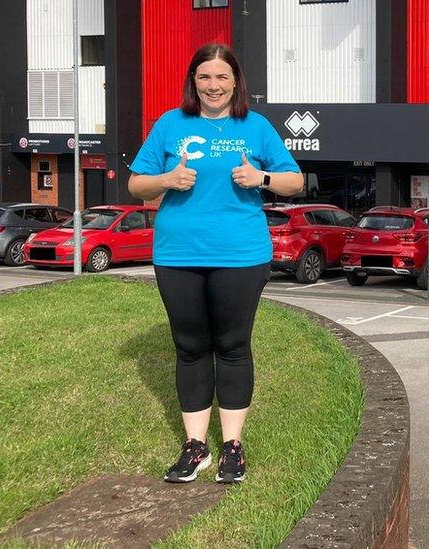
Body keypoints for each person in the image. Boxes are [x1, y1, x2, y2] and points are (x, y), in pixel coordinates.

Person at [128, 43, 304, 484]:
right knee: (189, 346)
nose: (213, 85)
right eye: (204, 77)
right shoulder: (170, 124)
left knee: (232, 345)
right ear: (194, 81)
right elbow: (135, 183)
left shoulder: (256, 126)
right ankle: (195, 447)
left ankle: (232, 447)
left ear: (235, 81)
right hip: (178, 254)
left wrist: (261, 177)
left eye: (221, 77)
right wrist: (166, 180)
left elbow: (295, 181)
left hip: (240, 256)